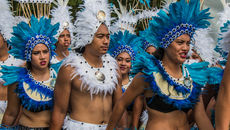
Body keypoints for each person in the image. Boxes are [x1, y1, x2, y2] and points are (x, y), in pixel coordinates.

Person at [106, 0, 222, 130]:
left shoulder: (192, 77)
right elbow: (121, 105)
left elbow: (200, 115)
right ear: (166, 44)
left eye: (188, 43)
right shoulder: (149, 75)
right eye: (180, 42)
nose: (185, 48)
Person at [50, 0, 125, 129]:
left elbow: (119, 107)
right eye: (100, 36)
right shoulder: (69, 69)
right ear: (87, 37)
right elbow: (59, 111)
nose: (106, 41)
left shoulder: (113, 67)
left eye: (107, 36)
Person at [0, 16, 59, 129]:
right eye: (36, 53)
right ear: (28, 56)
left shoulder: (60, 75)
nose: (42, 57)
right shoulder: (17, 79)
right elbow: (11, 113)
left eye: (45, 51)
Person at [50, 0, 74, 64]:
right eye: (62, 36)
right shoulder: (49, 60)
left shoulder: (75, 58)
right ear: (56, 38)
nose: (66, 39)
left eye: (68, 36)